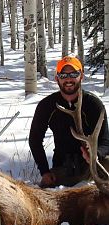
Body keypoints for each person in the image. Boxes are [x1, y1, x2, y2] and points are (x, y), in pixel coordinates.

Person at [29, 56, 109, 188]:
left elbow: (106, 141)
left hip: (93, 167)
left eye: (73, 74)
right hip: (63, 170)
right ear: (57, 78)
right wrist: (44, 171)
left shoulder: (94, 104)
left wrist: (95, 154)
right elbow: (35, 139)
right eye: (63, 75)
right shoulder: (46, 106)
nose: (68, 79)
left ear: (81, 76)